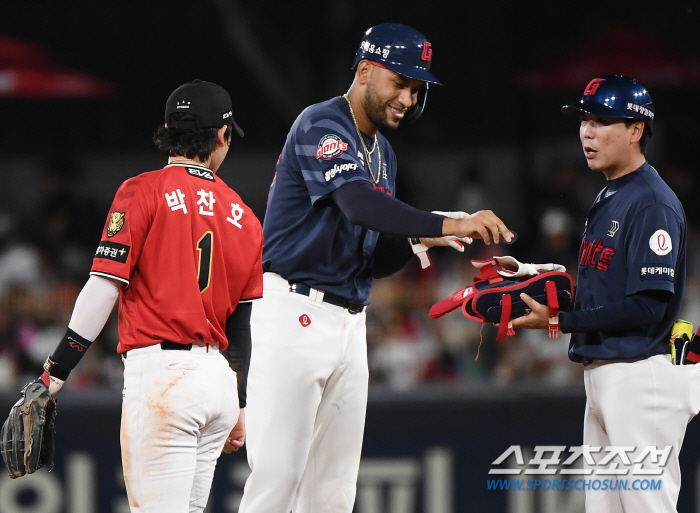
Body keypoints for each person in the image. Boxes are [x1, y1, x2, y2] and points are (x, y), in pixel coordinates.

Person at [239, 23, 512, 513]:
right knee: (278, 479)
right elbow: (359, 204)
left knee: (334, 491)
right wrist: (451, 221)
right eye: (399, 82)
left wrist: (430, 237)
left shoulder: (381, 151)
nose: (408, 97)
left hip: (349, 319)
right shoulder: (322, 123)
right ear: (364, 70)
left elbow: (376, 254)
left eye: (416, 87)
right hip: (294, 313)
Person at [17, 80, 262, 512]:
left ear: (167, 130)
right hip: (218, 384)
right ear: (223, 135)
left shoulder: (142, 190)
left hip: (163, 379)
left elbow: (103, 286)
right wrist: (239, 404)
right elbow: (240, 323)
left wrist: (54, 373)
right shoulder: (245, 216)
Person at [513, 74, 693, 512]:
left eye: (602, 121)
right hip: (610, 371)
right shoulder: (613, 192)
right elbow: (607, 290)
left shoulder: (651, 201)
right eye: (584, 120)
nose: (587, 132)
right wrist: (532, 279)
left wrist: (559, 321)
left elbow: (649, 306)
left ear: (636, 130)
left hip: (643, 372)